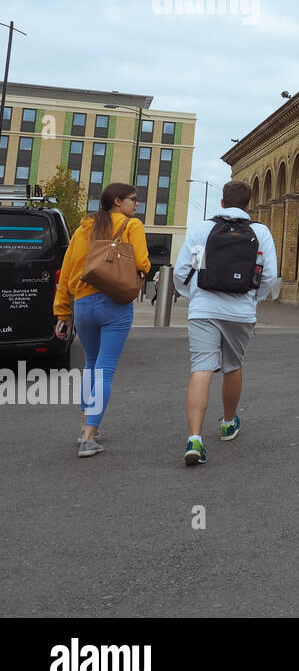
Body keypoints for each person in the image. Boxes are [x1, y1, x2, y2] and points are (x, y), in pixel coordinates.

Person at [174, 180, 278, 466]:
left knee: (201, 369)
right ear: (249, 204)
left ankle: (194, 438)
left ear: (221, 202)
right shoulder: (260, 232)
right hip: (240, 312)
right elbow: (269, 275)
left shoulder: (202, 229)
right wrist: (251, 299)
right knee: (232, 366)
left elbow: (185, 269)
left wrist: (194, 295)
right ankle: (228, 423)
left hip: (203, 309)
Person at [53, 184, 151, 457]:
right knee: (105, 369)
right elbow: (142, 262)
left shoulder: (84, 229)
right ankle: (89, 437)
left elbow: (67, 271)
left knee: (91, 365)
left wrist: (63, 313)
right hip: (115, 303)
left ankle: (85, 425)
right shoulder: (132, 226)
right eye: (133, 200)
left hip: (83, 304)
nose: (136, 205)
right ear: (117, 201)